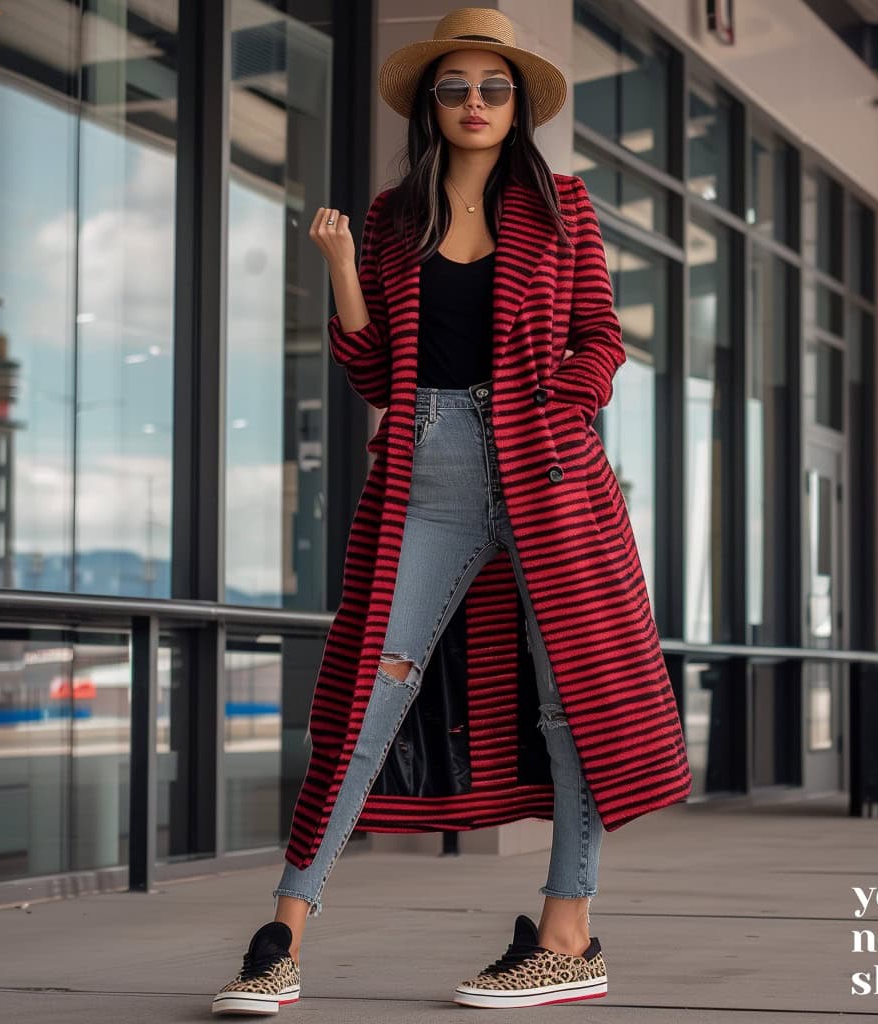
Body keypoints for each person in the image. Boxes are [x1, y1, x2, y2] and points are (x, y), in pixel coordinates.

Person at [212, 6, 692, 1016]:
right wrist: (342, 268)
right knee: (365, 698)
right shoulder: (393, 217)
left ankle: (566, 934)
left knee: (571, 706)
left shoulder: (563, 208)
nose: (474, 103)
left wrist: (557, 408)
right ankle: (281, 933)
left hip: (548, 475)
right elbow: (370, 367)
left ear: (516, 107)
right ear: (431, 105)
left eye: (493, 87)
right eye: (455, 87)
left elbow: (603, 339)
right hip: (424, 473)